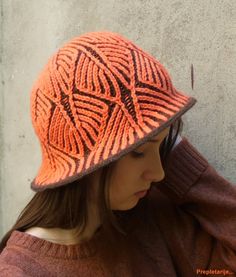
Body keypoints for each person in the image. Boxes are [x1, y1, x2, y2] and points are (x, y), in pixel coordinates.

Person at [0, 31, 235, 277]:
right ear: (87, 163)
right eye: (139, 152)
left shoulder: (152, 220)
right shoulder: (21, 270)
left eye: (162, 147)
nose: (159, 173)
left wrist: (178, 160)